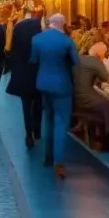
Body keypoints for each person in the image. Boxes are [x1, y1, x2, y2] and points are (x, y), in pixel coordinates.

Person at [31, 13, 79, 179]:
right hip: (62, 85)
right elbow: (75, 62)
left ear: (49, 23)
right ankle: (58, 162)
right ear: (63, 24)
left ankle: (48, 156)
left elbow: (33, 60)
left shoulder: (37, 39)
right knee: (61, 122)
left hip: (43, 83)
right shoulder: (67, 41)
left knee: (48, 119)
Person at [7, 6, 44, 149]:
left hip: (23, 73)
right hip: (38, 72)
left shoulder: (19, 27)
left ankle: (28, 132)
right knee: (38, 102)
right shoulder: (41, 30)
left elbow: (11, 50)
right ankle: (37, 131)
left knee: (26, 104)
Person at [73, 41, 109, 136]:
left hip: (74, 98)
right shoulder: (94, 60)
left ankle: (91, 130)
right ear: (99, 52)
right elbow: (107, 78)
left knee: (106, 101)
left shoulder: (78, 58)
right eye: (104, 52)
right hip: (86, 99)